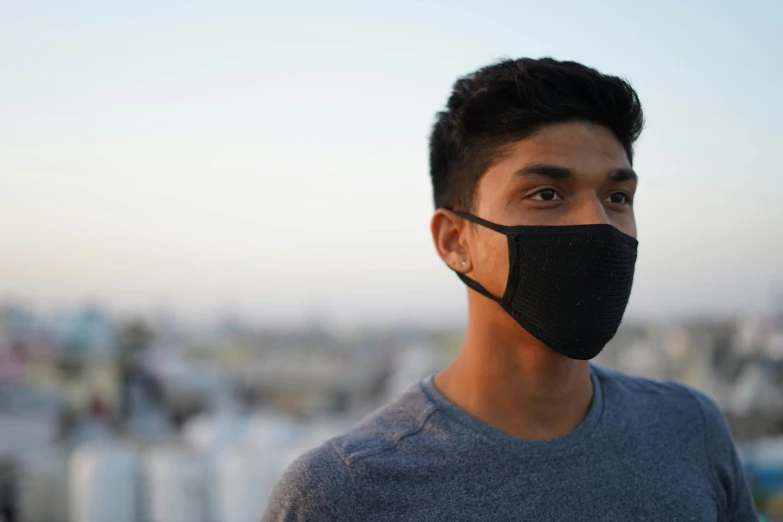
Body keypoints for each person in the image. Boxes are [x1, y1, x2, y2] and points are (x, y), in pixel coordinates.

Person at [262, 57, 758, 521]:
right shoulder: (345, 492)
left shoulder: (690, 429)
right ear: (456, 240)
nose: (598, 222)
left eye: (617, 196)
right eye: (546, 194)